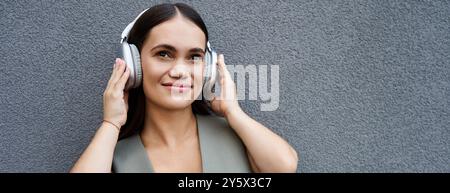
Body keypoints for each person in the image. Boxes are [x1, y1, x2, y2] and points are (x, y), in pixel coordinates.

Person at [70, 3, 298, 173]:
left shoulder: (235, 135)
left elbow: (284, 167)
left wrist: (234, 112)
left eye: (194, 57)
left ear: (208, 68)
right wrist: (111, 124)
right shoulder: (115, 156)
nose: (180, 70)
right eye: (164, 54)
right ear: (134, 64)